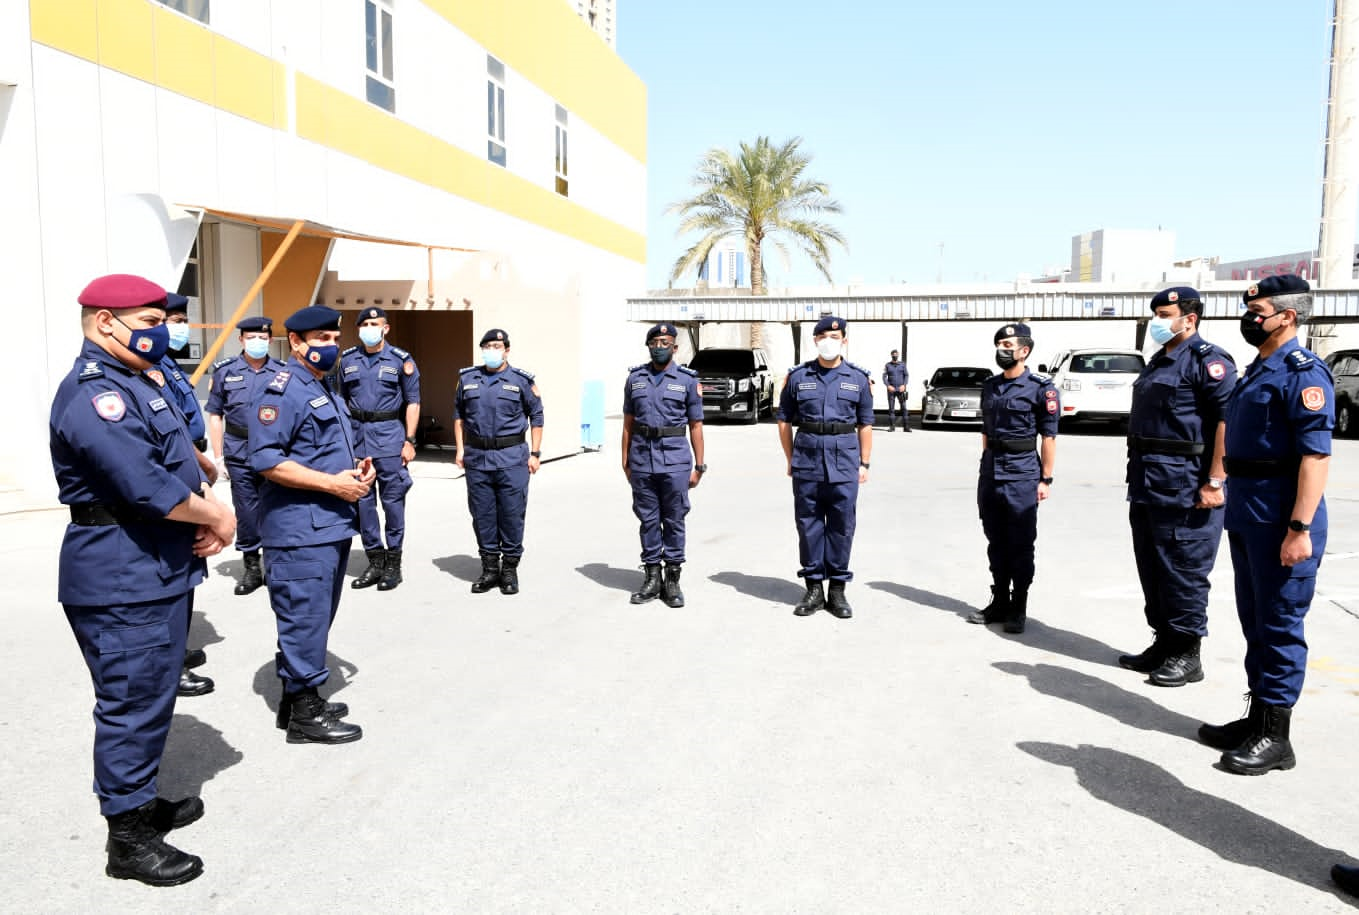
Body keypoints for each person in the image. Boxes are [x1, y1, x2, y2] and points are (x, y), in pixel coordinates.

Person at [50, 273, 237, 886]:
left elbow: (178, 459)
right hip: (121, 571)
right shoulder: (95, 393)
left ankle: (139, 802)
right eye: (151, 323)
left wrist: (203, 496)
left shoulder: (137, 380)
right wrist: (216, 516)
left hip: (154, 563)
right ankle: (127, 842)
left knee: (153, 695)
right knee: (131, 703)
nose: (162, 333)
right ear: (106, 322)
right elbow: (145, 484)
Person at [1198, 275, 1332, 776]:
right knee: (1255, 621)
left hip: (1281, 516)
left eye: (1259, 311)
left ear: (1288, 317)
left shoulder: (1303, 373)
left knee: (1279, 624)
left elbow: (1316, 457)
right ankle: (1256, 719)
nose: (1250, 318)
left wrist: (1299, 527)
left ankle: (1277, 738)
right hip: (1248, 510)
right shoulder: (1257, 371)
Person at [249, 304, 373, 745]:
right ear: (296, 343)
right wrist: (333, 485)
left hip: (329, 525)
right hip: (299, 530)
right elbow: (266, 459)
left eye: (335, 338)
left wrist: (355, 474)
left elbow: (318, 453)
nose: (331, 346)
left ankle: (296, 700)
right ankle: (305, 716)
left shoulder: (321, 386)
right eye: (321, 339)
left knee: (316, 618)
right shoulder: (281, 391)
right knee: (303, 618)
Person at [1117, 287, 1236, 686]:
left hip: (1186, 486)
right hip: (1147, 483)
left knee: (1184, 570)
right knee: (1152, 567)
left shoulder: (1209, 361)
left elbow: (1227, 422)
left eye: (1165, 314)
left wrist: (1215, 480)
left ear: (1190, 318)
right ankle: (1164, 642)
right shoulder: (1158, 361)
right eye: (1155, 314)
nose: (1157, 321)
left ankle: (1187, 653)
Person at [777, 316, 874, 619]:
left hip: (845, 463)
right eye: (823, 336)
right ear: (815, 340)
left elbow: (865, 424)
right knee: (809, 525)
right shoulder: (798, 377)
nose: (828, 341)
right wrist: (790, 458)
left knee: (842, 526)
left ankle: (837, 590)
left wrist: (864, 463)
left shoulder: (858, 378)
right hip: (807, 462)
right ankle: (814, 588)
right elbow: (784, 420)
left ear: (844, 340)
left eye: (834, 336)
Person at [151, 292, 222, 698]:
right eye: (172, 321)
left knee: (187, 571)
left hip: (189, 465)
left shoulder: (168, 365)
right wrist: (202, 466)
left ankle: (175, 647)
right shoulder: (151, 368)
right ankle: (169, 663)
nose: (180, 328)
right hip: (180, 470)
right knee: (175, 573)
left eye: (181, 320)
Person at [967, 322, 1058, 634]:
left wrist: (1046, 479)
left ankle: (1018, 605)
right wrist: (986, 462)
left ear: (1024, 350)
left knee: (1020, 541)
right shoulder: (990, 386)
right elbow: (985, 430)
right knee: (995, 539)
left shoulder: (1040, 388)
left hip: (1022, 473)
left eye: (1008, 346)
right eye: (999, 346)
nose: (1002, 350)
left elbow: (1049, 437)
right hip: (991, 471)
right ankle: (1000, 600)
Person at [454, 328, 544, 595]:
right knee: (482, 515)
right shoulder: (467, 379)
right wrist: (460, 450)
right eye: (487, 346)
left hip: (512, 458)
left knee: (511, 515)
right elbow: (458, 416)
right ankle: (490, 568)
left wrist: (535, 453)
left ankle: (509, 570)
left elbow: (537, 416)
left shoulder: (521, 380)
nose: (492, 350)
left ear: (507, 350)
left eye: (497, 346)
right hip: (477, 458)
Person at [621, 323, 706, 607]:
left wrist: (699, 466)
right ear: (648, 346)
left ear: (675, 347)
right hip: (642, 459)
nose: (659, 347)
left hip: (675, 461)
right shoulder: (635, 379)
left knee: (674, 519)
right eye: (654, 342)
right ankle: (651, 577)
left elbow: (696, 425)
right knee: (647, 520)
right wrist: (625, 461)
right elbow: (628, 424)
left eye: (665, 342)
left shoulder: (687, 380)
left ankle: (672, 580)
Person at [339, 307, 421, 591]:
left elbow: (413, 402)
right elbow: (341, 402)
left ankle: (393, 564)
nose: (369, 328)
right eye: (365, 324)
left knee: (393, 503)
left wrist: (410, 440)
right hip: (357, 441)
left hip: (389, 440)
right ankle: (375, 561)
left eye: (375, 324)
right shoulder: (347, 360)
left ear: (386, 328)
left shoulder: (401, 360)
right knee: (363, 504)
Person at [206, 316, 286, 598]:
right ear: (241, 340)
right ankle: (252, 566)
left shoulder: (282, 372)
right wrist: (218, 457)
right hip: (238, 451)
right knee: (247, 510)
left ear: (270, 340)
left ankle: (276, 565)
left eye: (262, 338)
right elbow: (215, 415)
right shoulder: (225, 371)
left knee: (276, 508)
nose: (257, 342)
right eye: (251, 337)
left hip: (273, 449)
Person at [883, 349, 910, 432]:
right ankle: (892, 426)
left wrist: (904, 385)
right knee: (891, 408)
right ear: (891, 355)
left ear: (898, 355)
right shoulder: (887, 365)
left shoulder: (902, 365)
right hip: (891, 390)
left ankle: (906, 427)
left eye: (896, 354)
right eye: (893, 354)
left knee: (904, 408)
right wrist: (888, 386)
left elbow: (906, 375)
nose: (895, 356)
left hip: (901, 389)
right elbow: (884, 377)